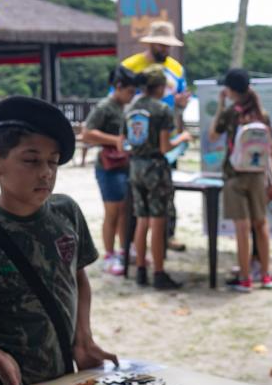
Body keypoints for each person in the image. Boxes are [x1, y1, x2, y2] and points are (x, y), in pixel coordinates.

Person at [0, 96, 118, 385]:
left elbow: (78, 278)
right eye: (32, 160)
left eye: (53, 161)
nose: (46, 172)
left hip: (63, 379)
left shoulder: (67, 212)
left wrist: (83, 338)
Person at [122, 20, 189, 252]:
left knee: (166, 193)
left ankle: (166, 236)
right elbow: (119, 98)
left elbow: (180, 102)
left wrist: (180, 107)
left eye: (168, 45)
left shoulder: (177, 68)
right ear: (151, 43)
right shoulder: (130, 66)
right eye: (161, 45)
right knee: (136, 199)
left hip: (166, 137)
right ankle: (132, 243)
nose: (166, 49)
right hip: (140, 142)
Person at [208, 68, 272, 292]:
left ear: (230, 90)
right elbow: (270, 152)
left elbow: (213, 135)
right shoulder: (262, 114)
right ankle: (266, 275)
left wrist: (220, 106)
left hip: (234, 176)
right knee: (261, 225)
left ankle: (245, 278)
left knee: (242, 227)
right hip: (258, 176)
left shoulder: (230, 113)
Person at [125, 68, 193, 290]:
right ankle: (159, 272)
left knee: (141, 219)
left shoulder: (131, 108)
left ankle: (141, 271)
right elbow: (165, 147)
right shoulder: (162, 109)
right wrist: (182, 137)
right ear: (161, 87)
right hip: (156, 168)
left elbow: (122, 142)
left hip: (135, 166)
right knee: (158, 220)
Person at [82, 66, 140, 275]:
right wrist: (114, 140)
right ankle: (109, 254)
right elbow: (87, 133)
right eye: (130, 91)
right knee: (112, 213)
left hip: (124, 165)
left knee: (126, 211)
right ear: (118, 87)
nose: (132, 96)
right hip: (108, 167)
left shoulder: (125, 106)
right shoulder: (105, 106)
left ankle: (124, 251)